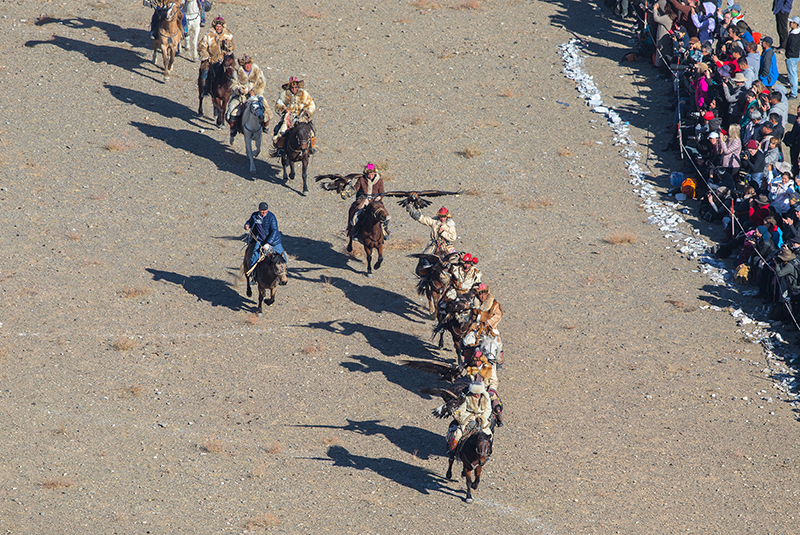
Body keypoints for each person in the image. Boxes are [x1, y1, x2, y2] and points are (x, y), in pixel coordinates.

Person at [226, 54, 269, 143]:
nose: (247, 66)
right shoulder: (237, 73)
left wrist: (256, 92)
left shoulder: (257, 71)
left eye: (249, 63)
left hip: (255, 96)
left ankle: (265, 126)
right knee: (233, 111)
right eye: (245, 64)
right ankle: (233, 131)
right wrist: (239, 89)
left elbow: (262, 83)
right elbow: (233, 85)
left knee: (265, 109)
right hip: (241, 97)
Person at [273, 76, 316, 155]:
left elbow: (311, 104)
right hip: (289, 116)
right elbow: (279, 104)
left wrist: (306, 111)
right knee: (282, 131)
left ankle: (311, 148)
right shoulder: (284, 94)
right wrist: (285, 109)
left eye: (295, 87)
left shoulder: (304, 94)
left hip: (302, 117)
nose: (294, 89)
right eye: (292, 87)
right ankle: (280, 149)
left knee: (311, 131)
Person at [243, 202, 286, 280]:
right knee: (254, 256)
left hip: (274, 241)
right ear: (259, 209)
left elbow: (274, 231)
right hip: (260, 240)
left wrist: (268, 243)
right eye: (262, 210)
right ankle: (253, 276)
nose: (264, 212)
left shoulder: (271, 217)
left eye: (265, 210)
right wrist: (247, 225)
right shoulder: (255, 216)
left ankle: (283, 275)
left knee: (283, 258)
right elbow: (249, 221)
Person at [447, 382, 493, 453]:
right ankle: (452, 450)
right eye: (475, 393)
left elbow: (488, 409)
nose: (477, 395)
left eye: (479, 393)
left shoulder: (486, 398)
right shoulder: (467, 397)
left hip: (481, 419)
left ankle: (487, 451)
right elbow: (462, 408)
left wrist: (483, 417)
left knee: (489, 434)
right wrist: (458, 413)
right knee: (458, 433)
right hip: (468, 418)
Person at [345, 163, 387, 237]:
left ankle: (384, 231)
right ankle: (356, 232)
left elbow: (381, 192)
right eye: (368, 174)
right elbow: (355, 188)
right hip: (364, 200)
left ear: (374, 173)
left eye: (371, 174)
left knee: (386, 216)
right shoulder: (361, 179)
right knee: (356, 216)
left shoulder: (379, 180)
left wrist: (379, 198)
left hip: (375, 202)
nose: (370, 176)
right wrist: (348, 193)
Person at [198, 15, 235, 96]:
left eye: (220, 26)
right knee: (205, 72)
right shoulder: (208, 35)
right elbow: (202, 46)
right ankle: (205, 88)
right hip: (211, 60)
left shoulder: (228, 35)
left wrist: (227, 45)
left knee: (233, 71)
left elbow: (232, 47)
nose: (218, 28)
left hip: (224, 60)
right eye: (217, 26)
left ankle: (234, 88)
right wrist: (206, 56)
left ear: (223, 26)